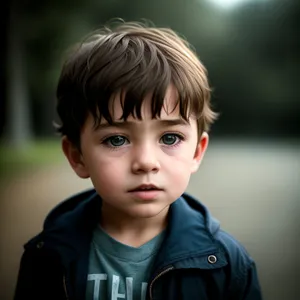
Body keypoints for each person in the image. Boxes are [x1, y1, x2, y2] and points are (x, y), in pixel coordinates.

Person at [14, 20, 263, 300]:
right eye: (117, 139)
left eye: (169, 138)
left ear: (197, 151)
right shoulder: (46, 258)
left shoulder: (227, 265)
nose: (146, 162)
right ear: (77, 156)